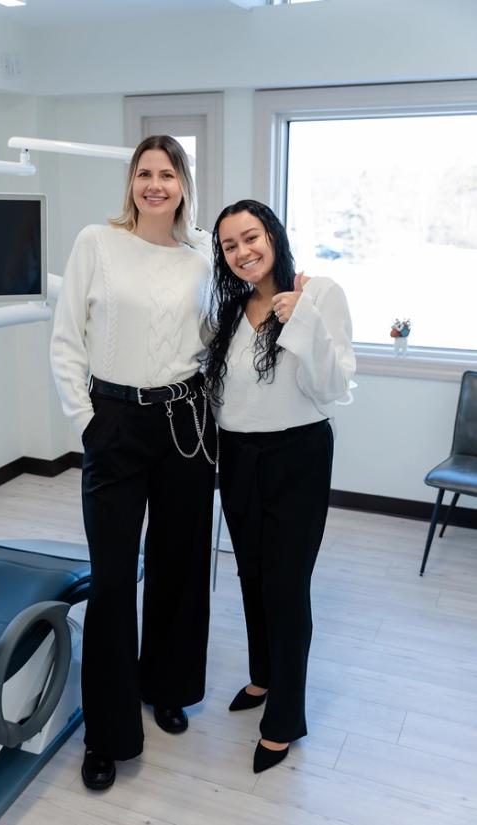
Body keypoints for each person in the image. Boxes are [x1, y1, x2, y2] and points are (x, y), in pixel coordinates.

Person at [50, 135, 217, 791]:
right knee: (114, 579)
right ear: (132, 182)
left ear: (182, 184)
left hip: (184, 422)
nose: (155, 184)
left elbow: (222, 334)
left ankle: (168, 685)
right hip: (114, 420)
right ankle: (107, 733)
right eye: (145, 173)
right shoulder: (97, 241)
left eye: (167, 174)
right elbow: (66, 339)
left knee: (180, 564)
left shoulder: (202, 253)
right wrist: (89, 425)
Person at [205, 199, 355, 774]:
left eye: (251, 237)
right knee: (252, 577)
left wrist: (302, 321)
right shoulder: (230, 310)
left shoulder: (319, 294)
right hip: (237, 457)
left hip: (298, 454)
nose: (242, 252)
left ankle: (285, 719)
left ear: (273, 235)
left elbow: (332, 386)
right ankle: (264, 676)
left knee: (287, 587)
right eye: (229, 245)